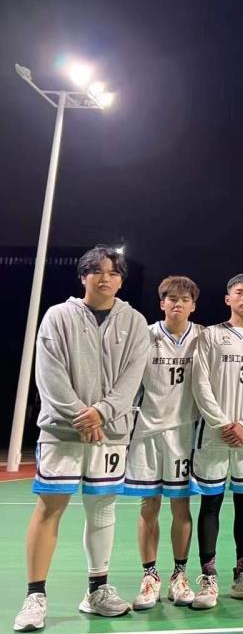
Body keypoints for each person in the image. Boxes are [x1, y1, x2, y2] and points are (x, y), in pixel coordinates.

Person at [15, 246, 149, 632]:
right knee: (50, 507)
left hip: (112, 432)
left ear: (121, 280)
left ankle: (97, 590)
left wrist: (102, 413)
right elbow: (49, 373)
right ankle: (35, 596)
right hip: (62, 431)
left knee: (102, 509)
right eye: (97, 271)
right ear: (83, 276)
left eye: (113, 272)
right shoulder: (58, 316)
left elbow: (132, 377)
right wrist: (82, 415)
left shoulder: (135, 321)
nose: (105, 278)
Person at [189, 273, 243, 609]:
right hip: (214, 435)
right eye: (238, 292)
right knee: (210, 504)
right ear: (228, 299)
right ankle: (208, 578)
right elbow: (199, 383)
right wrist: (223, 423)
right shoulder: (209, 336)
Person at [124, 276, 203, 611]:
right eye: (171, 298)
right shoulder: (145, 335)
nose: (177, 304)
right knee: (148, 506)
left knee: (181, 506)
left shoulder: (203, 337)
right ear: (162, 303)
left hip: (185, 433)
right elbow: (128, 382)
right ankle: (150, 576)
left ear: (193, 305)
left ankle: (180, 576)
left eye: (184, 299)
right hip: (148, 432)